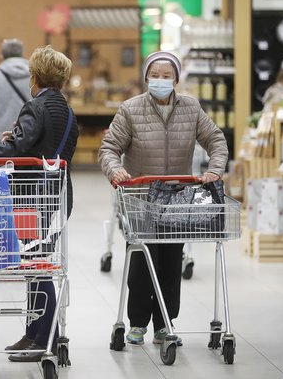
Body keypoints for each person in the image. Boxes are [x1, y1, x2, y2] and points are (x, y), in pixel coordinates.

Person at [0, 45, 79, 362]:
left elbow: (17, 147)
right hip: (58, 195)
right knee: (39, 264)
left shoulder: (35, 107)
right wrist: (23, 141)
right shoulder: (66, 111)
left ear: (35, 77)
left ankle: (42, 339)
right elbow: (47, 149)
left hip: (34, 198)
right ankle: (34, 333)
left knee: (38, 267)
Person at [98, 51, 228, 346]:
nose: (160, 80)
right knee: (143, 262)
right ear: (146, 78)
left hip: (177, 200)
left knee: (171, 262)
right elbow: (109, 148)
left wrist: (214, 170)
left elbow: (216, 140)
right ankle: (138, 323)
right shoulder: (130, 109)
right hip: (140, 199)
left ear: (176, 79)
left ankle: (164, 324)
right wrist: (115, 169)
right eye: (154, 75)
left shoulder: (191, 108)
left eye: (166, 75)